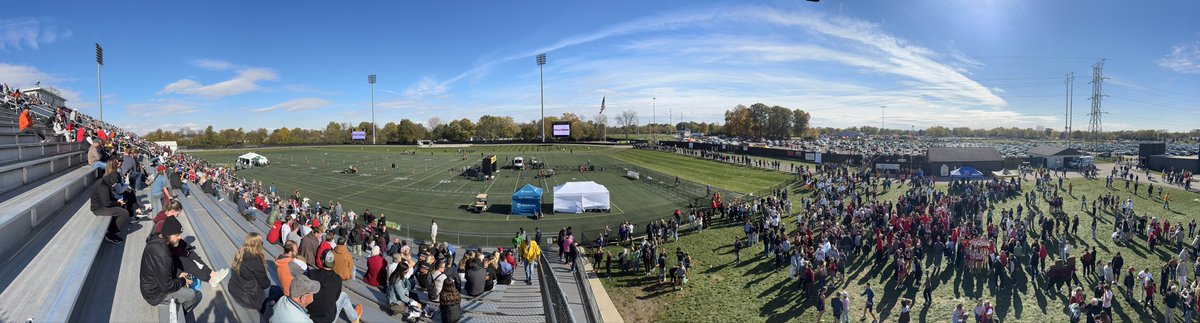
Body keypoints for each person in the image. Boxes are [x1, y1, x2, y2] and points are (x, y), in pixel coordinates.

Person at [139, 216, 202, 313]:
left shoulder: (157, 240)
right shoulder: (163, 255)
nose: (180, 238)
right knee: (192, 295)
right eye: (177, 235)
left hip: (151, 285)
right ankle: (180, 314)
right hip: (155, 294)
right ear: (168, 234)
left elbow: (163, 268)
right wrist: (182, 281)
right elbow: (167, 287)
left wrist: (179, 274)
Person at [307, 250, 364, 323]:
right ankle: (354, 318)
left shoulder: (312, 274)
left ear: (322, 261)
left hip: (311, 316)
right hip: (328, 319)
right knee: (343, 296)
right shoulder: (337, 279)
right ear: (333, 263)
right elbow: (336, 297)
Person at [230, 233, 276, 313]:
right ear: (258, 245)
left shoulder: (240, 253)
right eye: (261, 243)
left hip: (237, 288)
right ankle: (267, 307)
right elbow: (264, 284)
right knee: (275, 290)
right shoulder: (255, 260)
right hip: (249, 295)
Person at [93, 166, 131, 244]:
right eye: (114, 183)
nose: (114, 185)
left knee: (122, 205)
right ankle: (110, 234)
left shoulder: (104, 181)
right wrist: (117, 203)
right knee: (124, 213)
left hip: (102, 205)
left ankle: (112, 228)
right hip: (99, 208)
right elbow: (107, 203)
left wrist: (117, 201)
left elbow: (109, 198)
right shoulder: (103, 187)